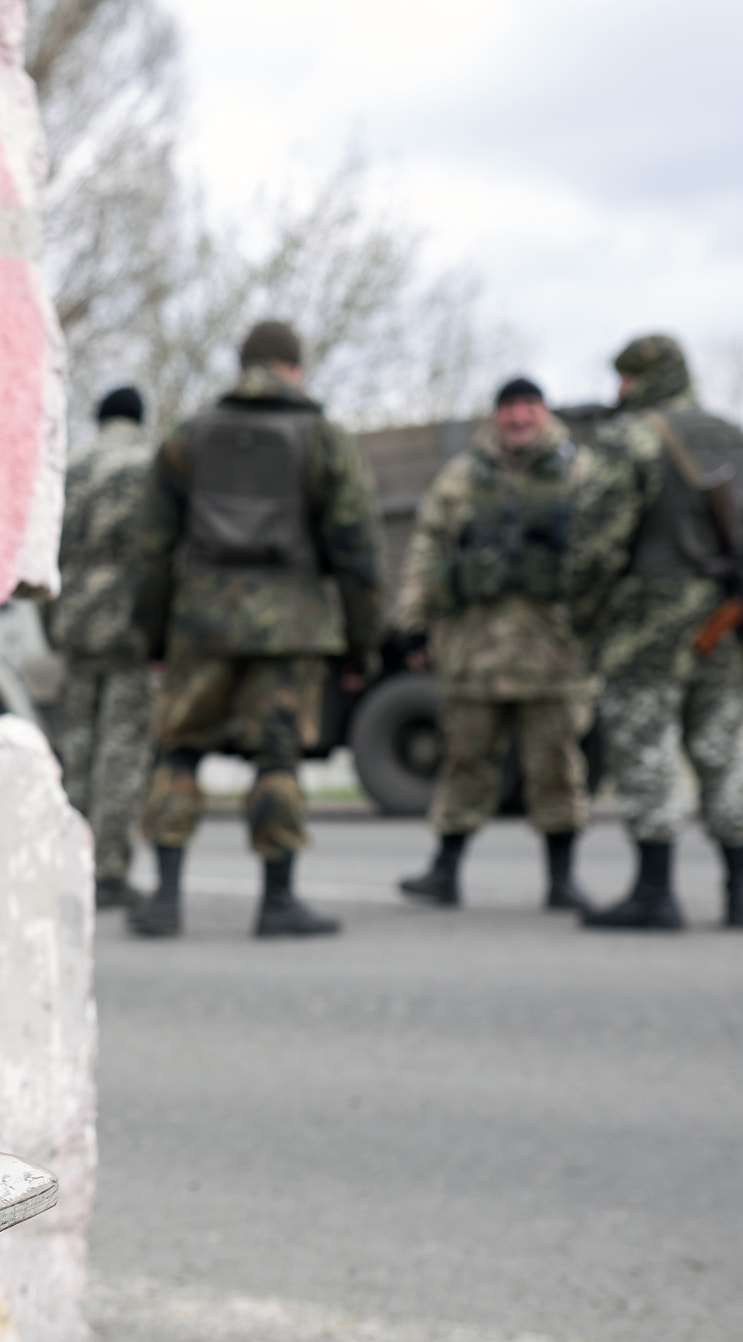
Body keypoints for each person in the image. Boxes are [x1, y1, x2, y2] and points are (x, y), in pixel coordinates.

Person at [130, 321, 385, 938]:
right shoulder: (323, 438)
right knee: (277, 758)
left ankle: (165, 899)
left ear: (242, 365)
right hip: (292, 625)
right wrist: (363, 642)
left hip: (202, 622)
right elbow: (357, 549)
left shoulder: (187, 438)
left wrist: (156, 635)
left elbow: (150, 549)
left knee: (179, 750)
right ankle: (277, 902)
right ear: (294, 367)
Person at [564, 334, 743, 930]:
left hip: (647, 625)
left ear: (631, 381)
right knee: (723, 751)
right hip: (726, 621)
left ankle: (655, 893)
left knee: (646, 751)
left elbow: (595, 547)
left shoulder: (629, 439)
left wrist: (587, 619)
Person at [393, 378, 597, 912]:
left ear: (545, 412)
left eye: (528, 407)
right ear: (496, 416)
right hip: (473, 653)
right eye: (508, 408)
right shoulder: (461, 477)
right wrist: (413, 621)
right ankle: (443, 873)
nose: (518, 417)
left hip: (551, 654)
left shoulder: (580, 474)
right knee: (464, 764)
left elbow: (605, 553)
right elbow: (426, 550)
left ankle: (561, 880)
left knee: (556, 769)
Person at [47, 386, 159, 913]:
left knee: (77, 746)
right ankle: (109, 870)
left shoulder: (69, 467)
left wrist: (54, 622)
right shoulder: (150, 463)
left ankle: (68, 860)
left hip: (74, 619)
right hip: (128, 621)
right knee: (121, 748)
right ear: (140, 418)